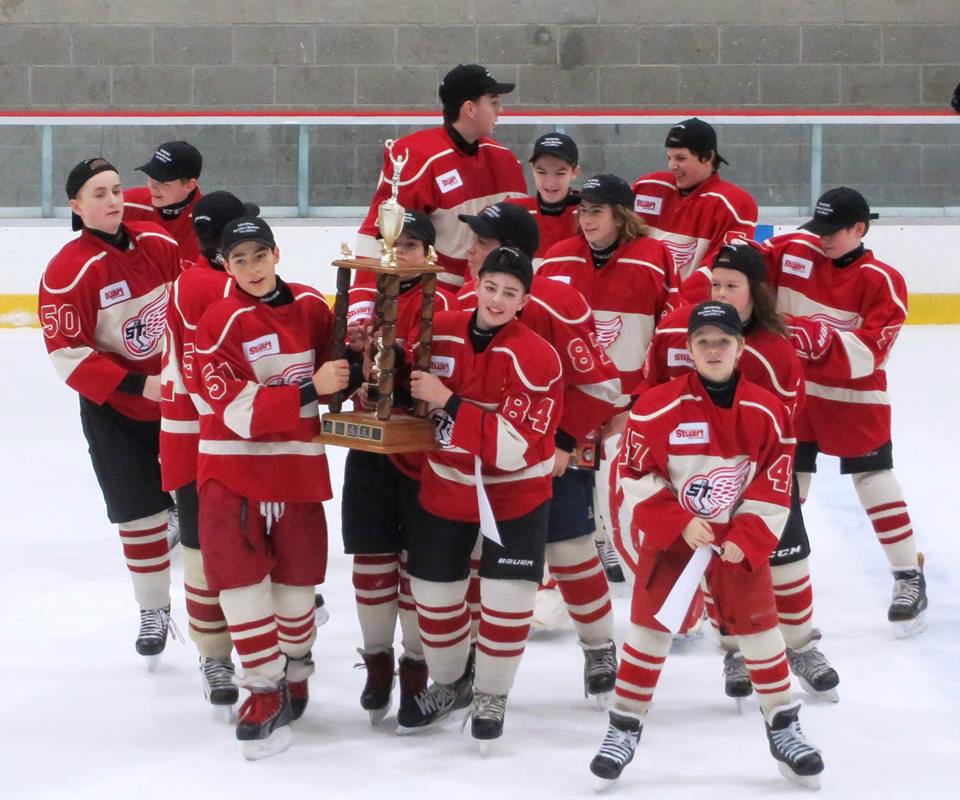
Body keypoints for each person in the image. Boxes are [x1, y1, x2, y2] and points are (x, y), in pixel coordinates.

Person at [592, 302, 825, 791]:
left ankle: (783, 723)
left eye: (724, 341)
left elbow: (774, 482)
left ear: (740, 348)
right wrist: (678, 521)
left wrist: (746, 535)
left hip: (739, 538)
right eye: (704, 342)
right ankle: (624, 725)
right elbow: (634, 474)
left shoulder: (768, 410)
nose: (714, 350)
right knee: (650, 631)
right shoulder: (656, 406)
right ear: (689, 349)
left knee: (761, 630)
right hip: (678, 538)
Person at [633, 243, 839, 702]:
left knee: (785, 562)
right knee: (715, 563)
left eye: (733, 285)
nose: (722, 293)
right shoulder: (676, 333)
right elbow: (650, 388)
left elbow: (783, 426)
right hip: (696, 481)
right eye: (715, 285)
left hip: (761, 481)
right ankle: (735, 650)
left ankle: (802, 645)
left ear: (755, 291)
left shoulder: (775, 351)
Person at [192, 216, 356, 759]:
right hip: (233, 474)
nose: (252, 267)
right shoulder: (217, 322)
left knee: (296, 584)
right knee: (240, 584)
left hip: (297, 471)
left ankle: (297, 669)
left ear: (277, 253)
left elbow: (342, 370)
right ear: (224, 265)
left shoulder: (311, 307)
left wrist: (357, 360)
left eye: (259, 255)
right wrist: (313, 386)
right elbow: (235, 410)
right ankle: (263, 688)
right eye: (238, 259)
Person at [457, 202, 625, 703]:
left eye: (482, 242)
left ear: (510, 250)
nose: (470, 251)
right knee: (474, 557)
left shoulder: (557, 302)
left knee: (571, 554)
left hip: (550, 459)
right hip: (484, 458)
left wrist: (563, 442)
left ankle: (599, 646)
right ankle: (469, 657)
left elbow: (601, 385)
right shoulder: (471, 297)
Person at [401, 247, 563, 750]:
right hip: (446, 486)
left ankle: (493, 692)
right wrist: (377, 358)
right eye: (490, 286)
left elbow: (511, 449)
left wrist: (448, 399)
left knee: (508, 600)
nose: (496, 299)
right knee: (433, 595)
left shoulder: (538, 356)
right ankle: (452, 682)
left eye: (510, 293)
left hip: (514, 495)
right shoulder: (440, 328)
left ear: (525, 301)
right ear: (474, 279)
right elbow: (402, 386)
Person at [762, 187, 927, 637]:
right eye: (818, 229)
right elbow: (748, 264)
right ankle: (774, 579)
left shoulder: (881, 280)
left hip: (852, 398)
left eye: (832, 232)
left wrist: (814, 339)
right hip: (793, 394)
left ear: (859, 229)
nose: (822, 240)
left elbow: (871, 353)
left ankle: (908, 575)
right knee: (786, 482)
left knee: (873, 478)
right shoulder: (795, 248)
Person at [38, 158, 181, 665]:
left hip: (177, 403)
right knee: (137, 515)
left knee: (205, 505)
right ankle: (153, 608)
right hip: (116, 411)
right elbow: (67, 354)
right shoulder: (67, 270)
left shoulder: (160, 246)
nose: (113, 201)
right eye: (99, 194)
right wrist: (141, 384)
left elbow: (193, 310)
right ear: (76, 206)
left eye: (118, 190)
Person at [341, 210, 458, 727]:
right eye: (393, 245)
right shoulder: (362, 299)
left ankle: (414, 667)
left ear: (429, 254)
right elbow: (341, 368)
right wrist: (355, 364)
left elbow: (442, 382)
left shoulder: (444, 306)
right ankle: (376, 662)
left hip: (419, 456)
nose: (399, 255)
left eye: (411, 246)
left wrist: (406, 365)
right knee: (371, 557)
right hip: (369, 449)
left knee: (412, 564)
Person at [538, 174, 675, 587]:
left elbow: (670, 333)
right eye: (582, 210)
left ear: (621, 214)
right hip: (575, 405)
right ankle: (586, 565)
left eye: (596, 211)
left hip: (630, 405)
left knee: (627, 494)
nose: (586, 219)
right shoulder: (559, 257)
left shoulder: (653, 256)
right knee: (574, 489)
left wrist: (643, 401)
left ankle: (655, 592)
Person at [160, 191, 259, 708]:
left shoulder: (186, 281)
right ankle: (221, 655)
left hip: (186, 437)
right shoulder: (222, 289)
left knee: (205, 551)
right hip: (217, 439)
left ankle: (220, 653)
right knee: (214, 552)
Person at [356, 63, 526, 288]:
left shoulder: (505, 160)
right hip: (428, 298)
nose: (501, 110)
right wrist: (363, 301)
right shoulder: (419, 159)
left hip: (487, 295)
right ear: (470, 109)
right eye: (493, 102)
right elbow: (378, 234)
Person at [631, 118, 758, 304]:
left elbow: (721, 266)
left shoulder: (733, 204)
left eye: (681, 158)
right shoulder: (647, 188)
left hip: (690, 314)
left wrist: (674, 305)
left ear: (708, 157)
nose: (671, 166)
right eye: (669, 158)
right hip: (640, 306)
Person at [124, 140, 204, 264]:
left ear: (189, 185)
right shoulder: (125, 205)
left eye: (163, 183)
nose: (153, 187)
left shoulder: (207, 223)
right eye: (151, 178)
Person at [505, 132, 581, 260]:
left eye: (560, 173)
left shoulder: (588, 214)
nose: (550, 182)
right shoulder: (511, 212)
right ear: (532, 169)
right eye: (542, 172)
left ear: (575, 172)